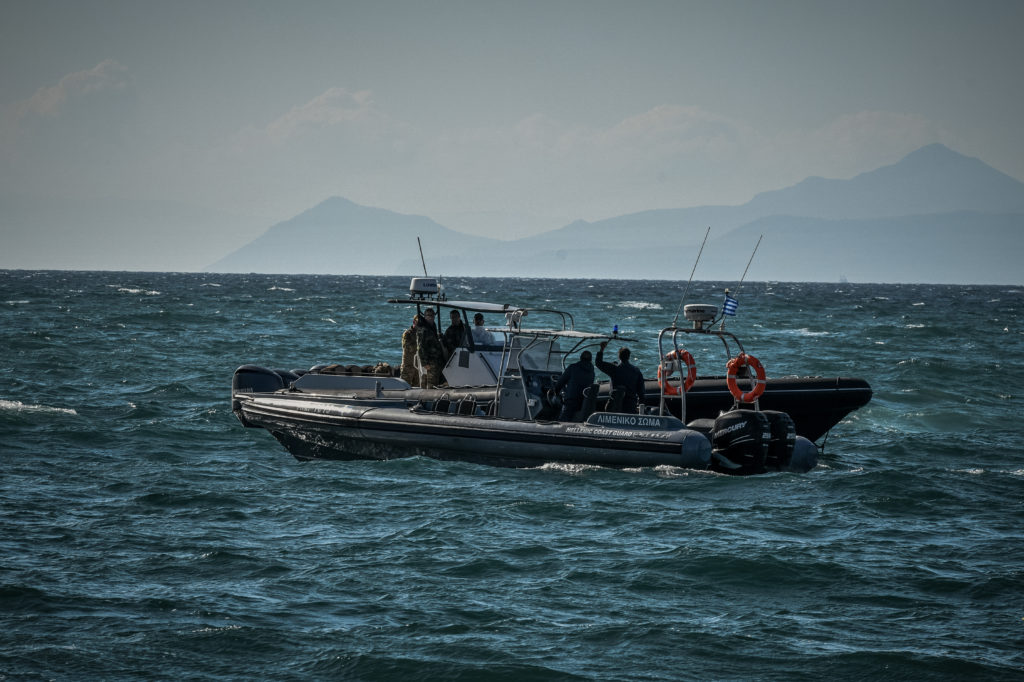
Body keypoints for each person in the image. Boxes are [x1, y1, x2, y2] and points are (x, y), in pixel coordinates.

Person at [596, 341, 645, 413]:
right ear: (629, 357)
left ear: (619, 356)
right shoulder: (636, 371)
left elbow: (598, 363)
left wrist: (602, 349)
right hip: (630, 405)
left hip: (614, 405)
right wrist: (640, 405)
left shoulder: (614, 369)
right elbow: (641, 391)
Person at [553, 350, 595, 422]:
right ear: (591, 360)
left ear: (580, 358)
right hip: (583, 403)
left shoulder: (573, 368)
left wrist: (556, 394)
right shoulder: (592, 372)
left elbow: (560, 383)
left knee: (561, 421)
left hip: (571, 402)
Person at [415, 307, 447, 387]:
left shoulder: (432, 327)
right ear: (425, 316)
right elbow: (421, 347)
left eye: (432, 315)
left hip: (436, 360)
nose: (430, 317)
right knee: (431, 384)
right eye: (428, 315)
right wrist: (424, 363)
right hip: (430, 361)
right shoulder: (424, 330)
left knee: (436, 382)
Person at [399, 315, 419, 385]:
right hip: (408, 367)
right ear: (414, 322)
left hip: (417, 367)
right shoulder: (407, 334)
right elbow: (408, 347)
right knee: (404, 386)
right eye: (417, 322)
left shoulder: (420, 334)